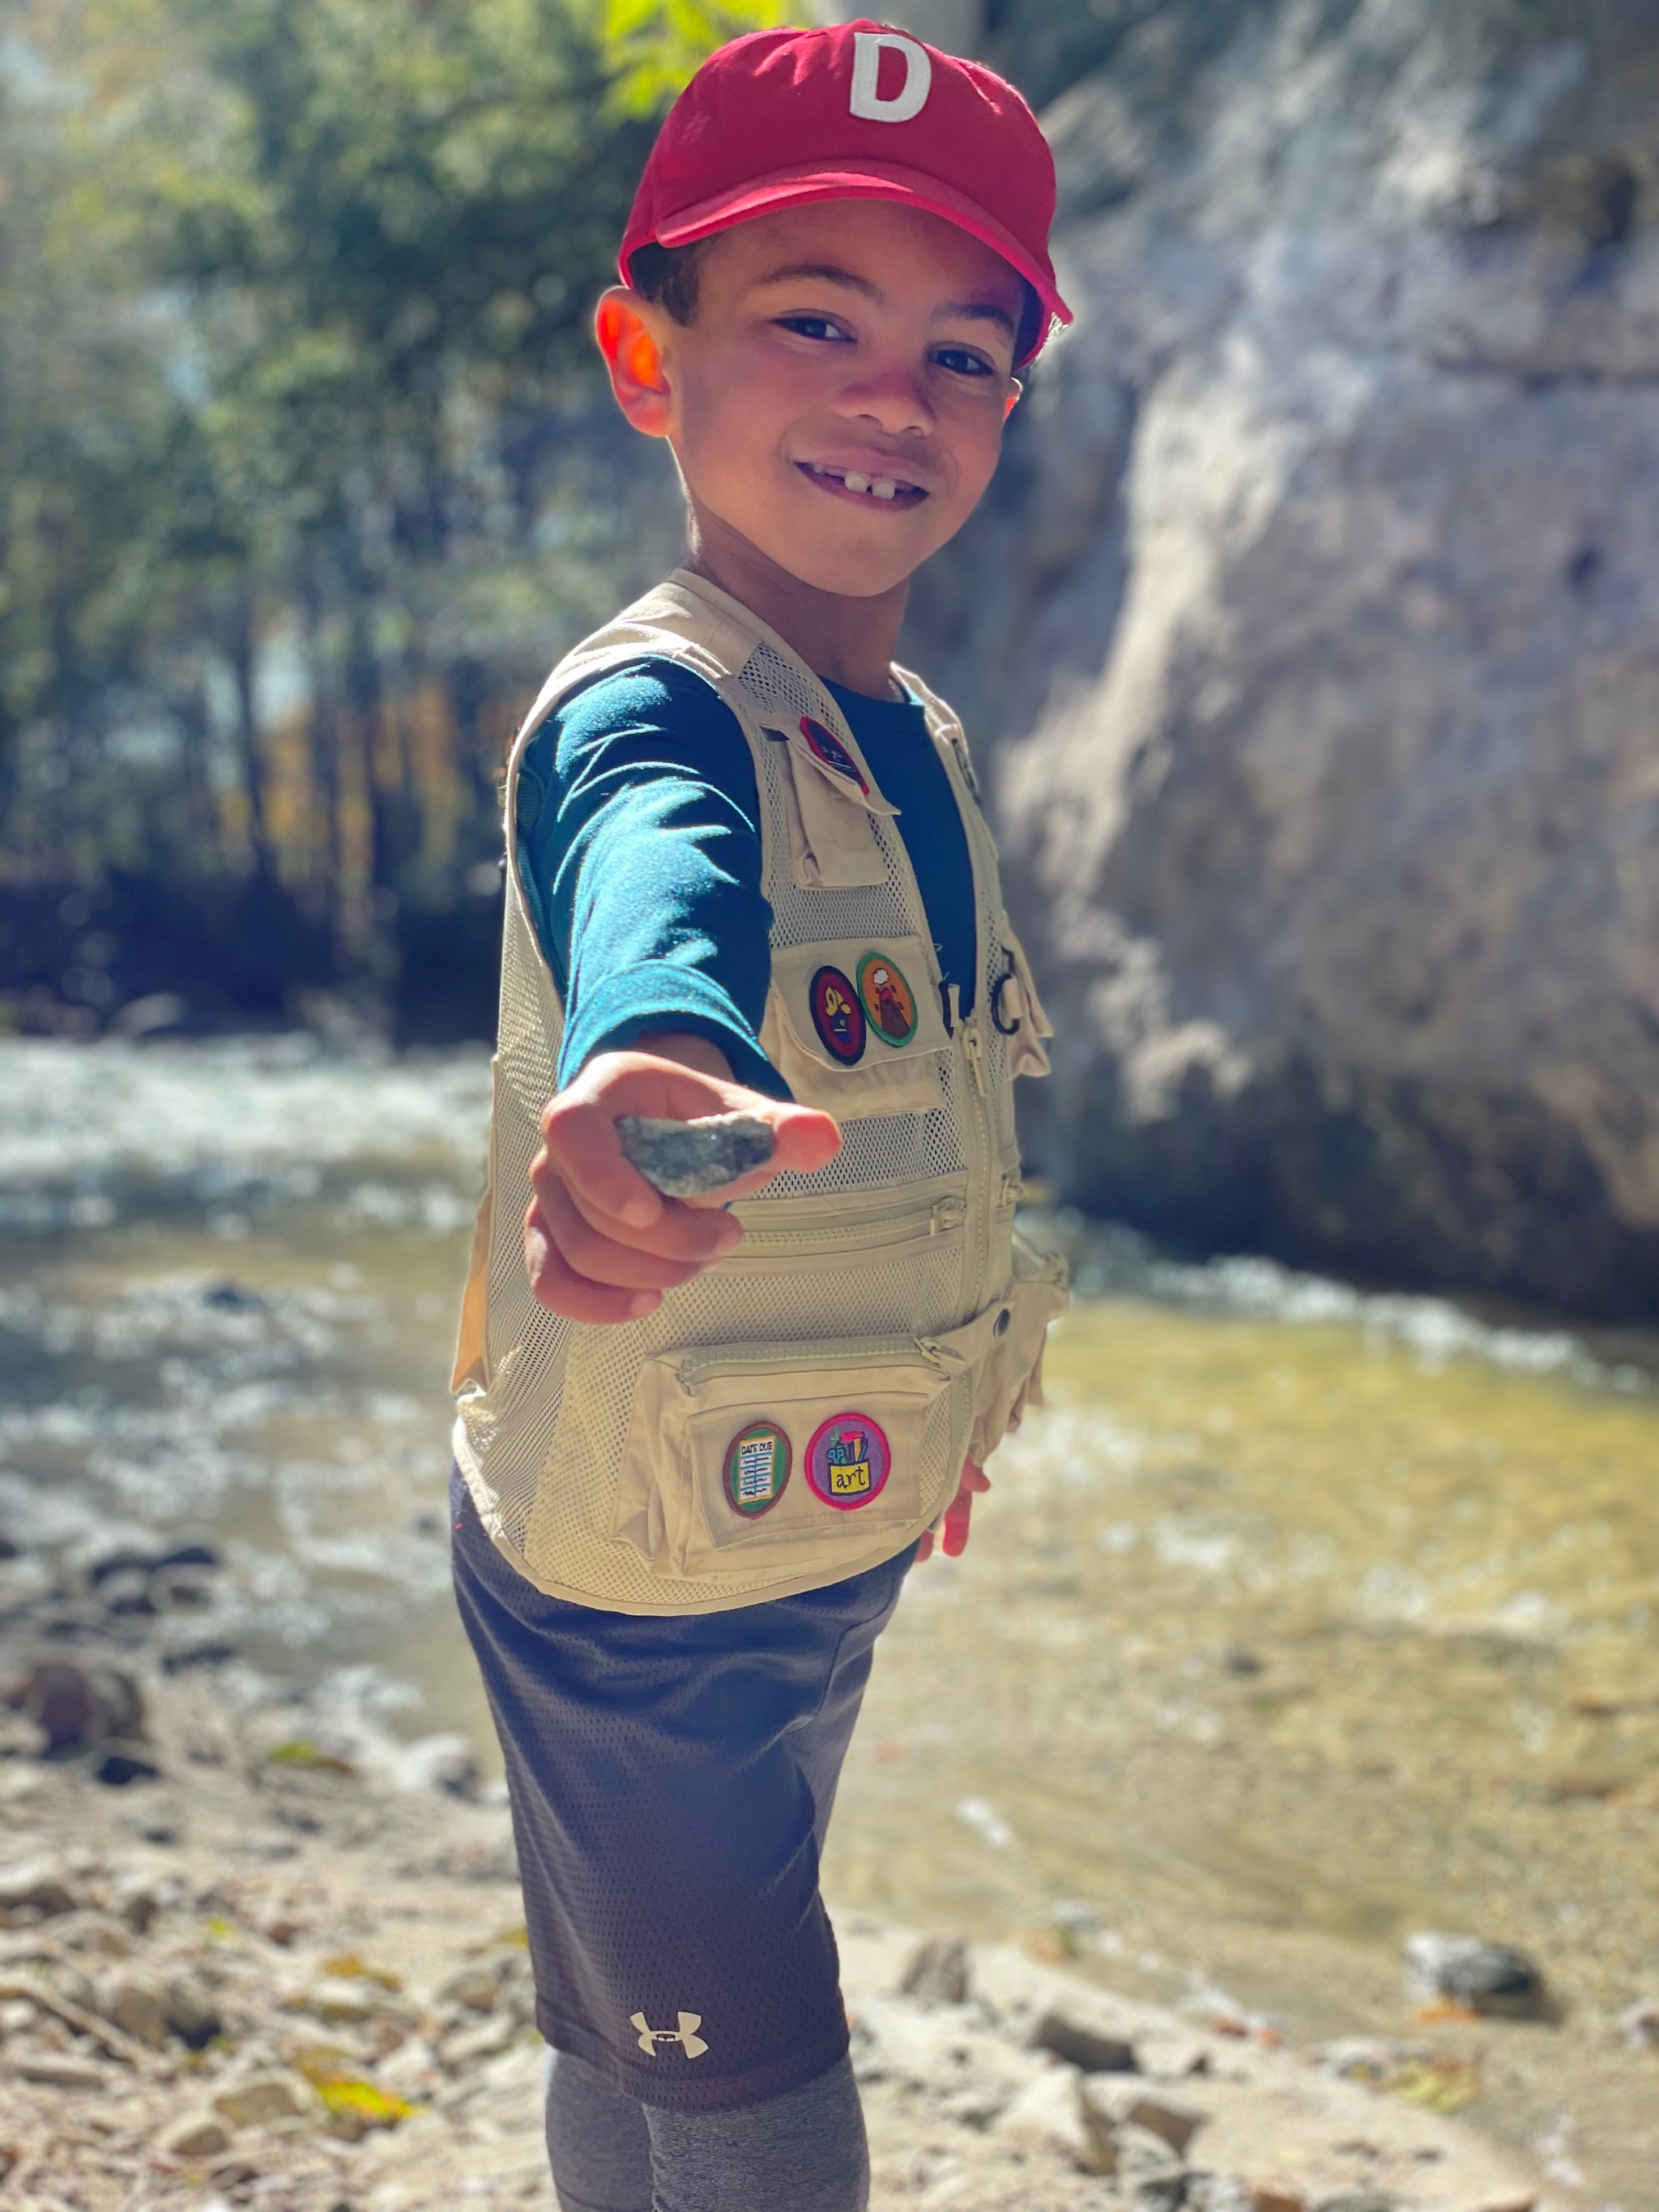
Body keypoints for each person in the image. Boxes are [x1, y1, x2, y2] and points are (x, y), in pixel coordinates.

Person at [447, 19, 1069, 2211]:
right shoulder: (655, 703)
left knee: (631, 2014)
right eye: (814, 318)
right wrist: (654, 1056)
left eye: (965, 353)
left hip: (803, 1505)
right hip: (643, 1560)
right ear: (648, 355)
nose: (893, 394)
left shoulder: (911, 725)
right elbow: (659, 885)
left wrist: (930, 1420)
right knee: (756, 2076)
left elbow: (941, 1122)